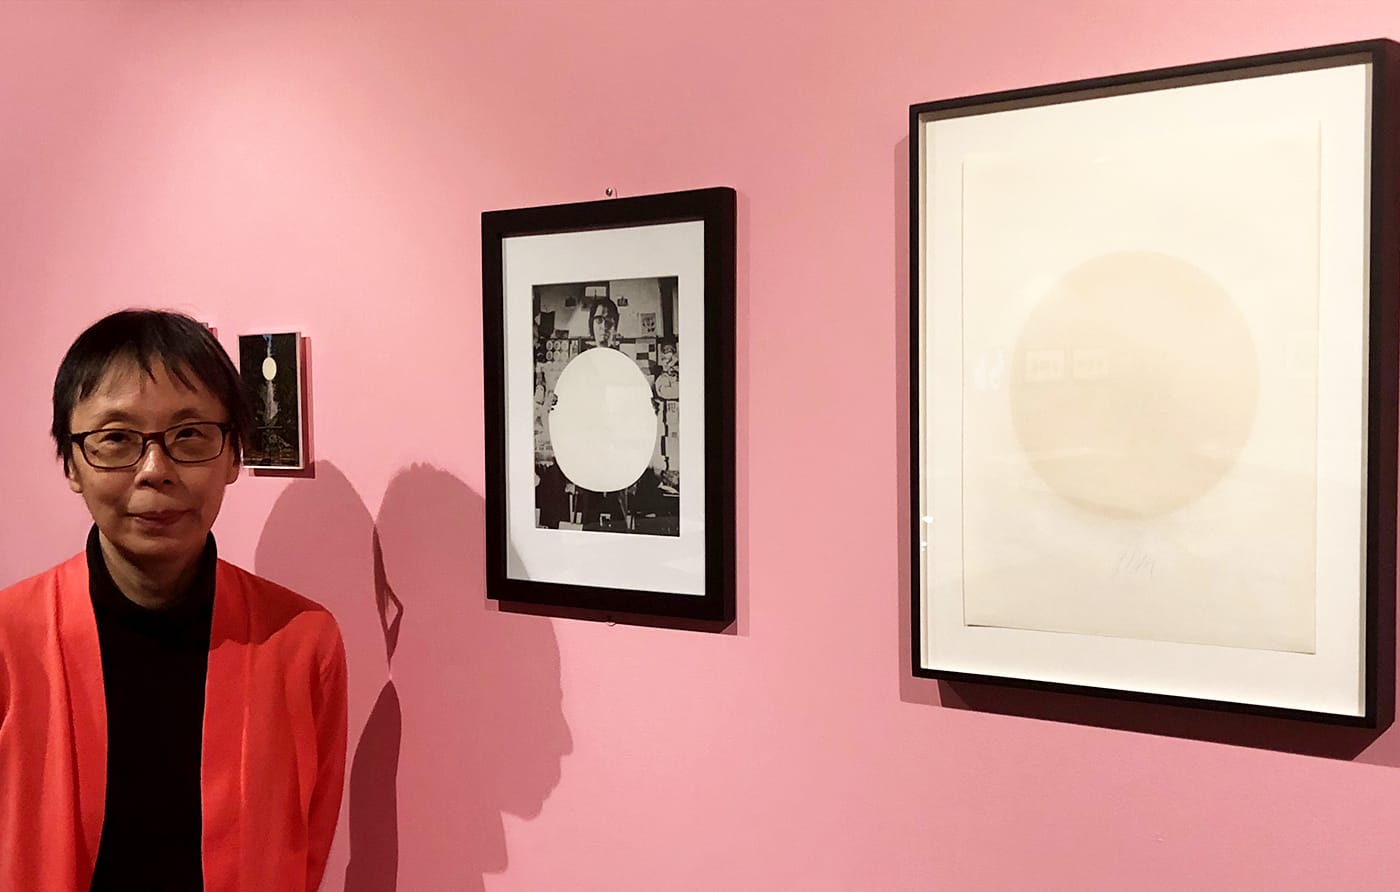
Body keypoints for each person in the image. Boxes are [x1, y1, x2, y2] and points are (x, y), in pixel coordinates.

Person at [0, 309, 348, 891]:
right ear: (72, 464)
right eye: (116, 439)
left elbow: (306, 852)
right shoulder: (10, 640)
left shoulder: (303, 641)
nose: (155, 470)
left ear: (234, 455)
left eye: (190, 434)